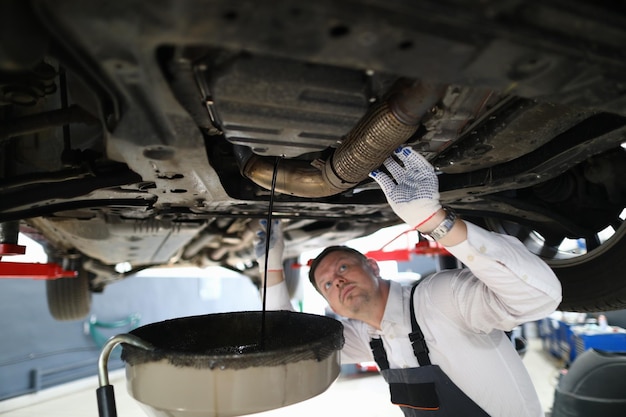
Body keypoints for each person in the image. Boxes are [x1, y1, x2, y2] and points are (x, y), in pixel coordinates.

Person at [254, 146, 562, 417]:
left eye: (343, 267)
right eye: (327, 286)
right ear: (331, 305)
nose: (337, 282)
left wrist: (436, 222)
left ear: (373, 266)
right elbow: (292, 346)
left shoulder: (439, 300)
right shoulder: (369, 341)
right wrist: (270, 269)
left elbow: (539, 297)